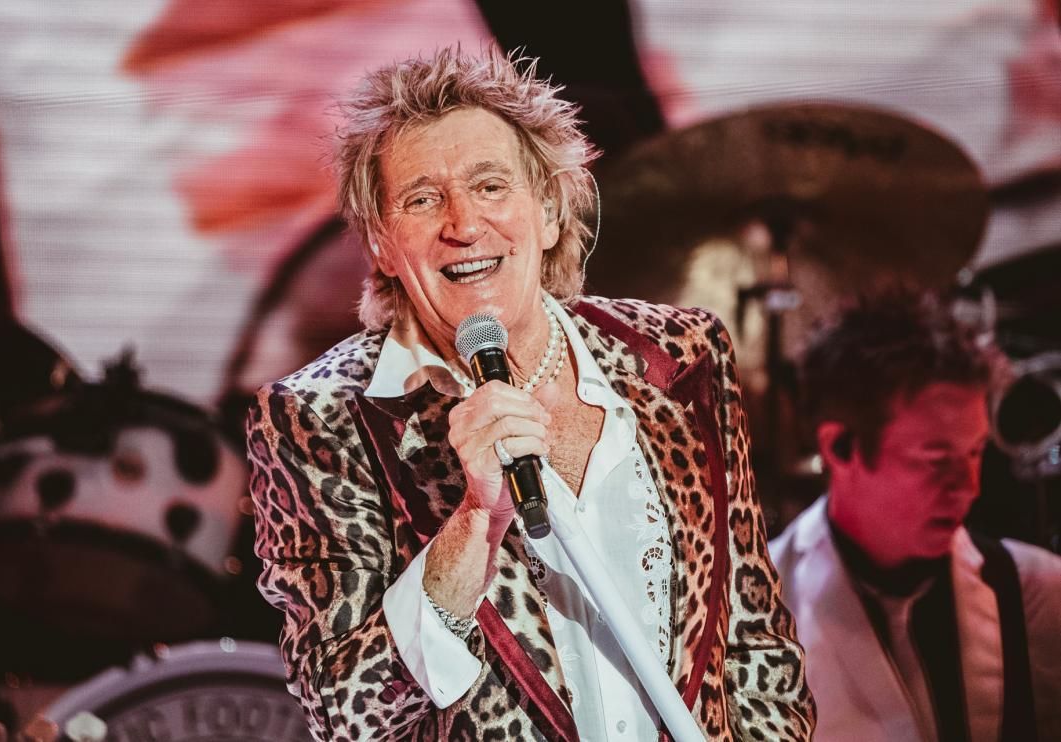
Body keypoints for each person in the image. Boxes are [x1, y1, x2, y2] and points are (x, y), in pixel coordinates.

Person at [246, 47, 815, 741]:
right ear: (382, 245)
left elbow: (753, 642)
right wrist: (475, 520)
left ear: (549, 212)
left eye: (490, 186)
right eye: (422, 199)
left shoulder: (681, 356)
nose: (463, 224)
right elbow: (344, 712)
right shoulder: (320, 419)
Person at [769, 292, 1061, 741]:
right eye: (936, 460)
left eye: (975, 453)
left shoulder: (1036, 592)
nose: (969, 487)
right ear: (839, 447)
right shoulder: (759, 604)